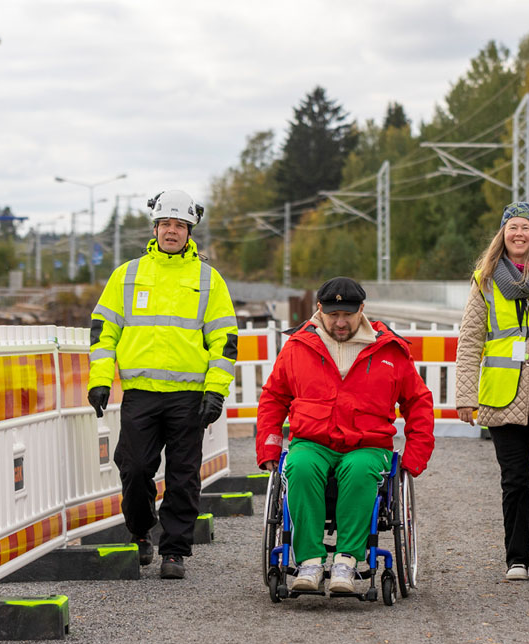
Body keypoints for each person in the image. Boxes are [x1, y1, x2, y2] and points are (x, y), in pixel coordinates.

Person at [87, 189, 238, 580]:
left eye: (180, 225)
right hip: (140, 394)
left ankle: (174, 551)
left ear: (190, 231)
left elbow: (224, 341)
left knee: (184, 476)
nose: (172, 231)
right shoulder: (127, 275)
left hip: (189, 397)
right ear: (155, 228)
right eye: (166, 224)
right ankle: (140, 532)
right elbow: (104, 333)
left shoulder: (208, 280)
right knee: (135, 468)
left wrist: (215, 392)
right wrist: (101, 381)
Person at [256, 277, 435, 595]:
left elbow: (418, 401)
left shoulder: (390, 349)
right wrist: (269, 447)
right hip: (313, 440)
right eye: (333, 314)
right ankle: (309, 562)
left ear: (362, 310)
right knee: (299, 465)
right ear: (319, 310)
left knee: (360, 470)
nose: (340, 322)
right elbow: (273, 397)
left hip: (367, 443)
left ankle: (346, 562)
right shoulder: (297, 346)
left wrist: (416, 454)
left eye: (348, 315)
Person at [454, 201, 529, 583]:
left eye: (525, 227)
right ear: (502, 234)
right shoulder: (485, 280)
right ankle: (517, 558)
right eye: (512, 227)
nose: (519, 233)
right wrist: (465, 395)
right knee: (515, 478)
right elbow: (471, 339)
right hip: (501, 394)